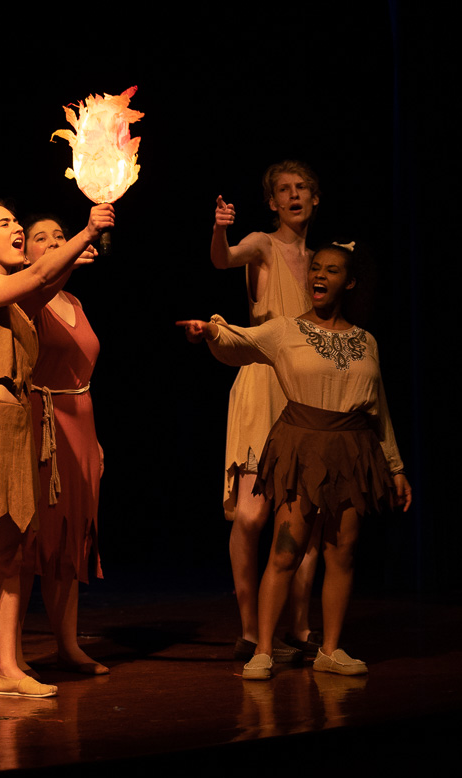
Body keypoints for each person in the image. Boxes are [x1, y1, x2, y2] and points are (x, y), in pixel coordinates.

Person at [178, 242, 412, 679]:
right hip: (302, 446)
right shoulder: (286, 330)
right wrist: (210, 332)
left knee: (341, 553)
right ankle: (263, 650)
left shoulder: (366, 341)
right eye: (315, 268)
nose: (319, 275)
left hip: (352, 449)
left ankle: (330, 650)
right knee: (286, 551)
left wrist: (395, 467)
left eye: (332, 270)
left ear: (350, 282)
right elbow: (239, 341)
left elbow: (378, 407)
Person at [0, 200, 112, 704]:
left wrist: (74, 254)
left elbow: (45, 281)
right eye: (5, 223)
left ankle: (7, 669)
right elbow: (39, 277)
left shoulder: (17, 304)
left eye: (15, 222)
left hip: (16, 430)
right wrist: (85, 232)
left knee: (9, 559)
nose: (16, 229)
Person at [210, 161, 322, 661]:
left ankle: (298, 627)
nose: (294, 195)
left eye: (302, 188)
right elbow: (224, 259)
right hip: (263, 384)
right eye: (283, 190)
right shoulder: (262, 244)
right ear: (272, 202)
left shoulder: (321, 262)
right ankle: (251, 629)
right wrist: (220, 229)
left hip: (308, 391)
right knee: (253, 514)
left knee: (305, 518)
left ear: (315, 198)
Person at [16, 214, 106, 674]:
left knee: (71, 538)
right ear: (25, 251)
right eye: (41, 238)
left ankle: (67, 645)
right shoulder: (24, 297)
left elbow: (81, 373)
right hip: (40, 424)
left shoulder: (74, 300)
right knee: (28, 540)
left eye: (59, 236)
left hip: (80, 425)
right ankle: (9, 655)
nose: (53, 242)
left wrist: (95, 443)